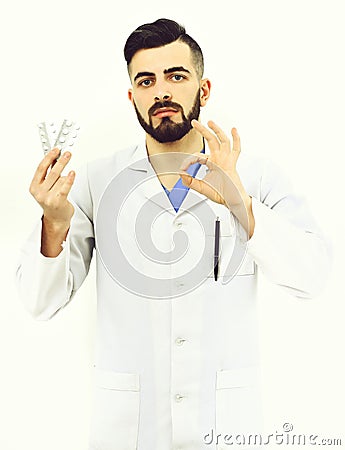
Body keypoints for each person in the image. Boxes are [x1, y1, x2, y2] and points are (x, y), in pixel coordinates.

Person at [16, 18, 331, 450]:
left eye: (176, 76)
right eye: (146, 81)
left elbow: (314, 277)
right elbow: (39, 302)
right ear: (132, 96)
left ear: (203, 90)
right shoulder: (95, 182)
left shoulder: (255, 177)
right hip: (128, 429)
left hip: (224, 423)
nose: (161, 91)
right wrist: (53, 223)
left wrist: (241, 204)